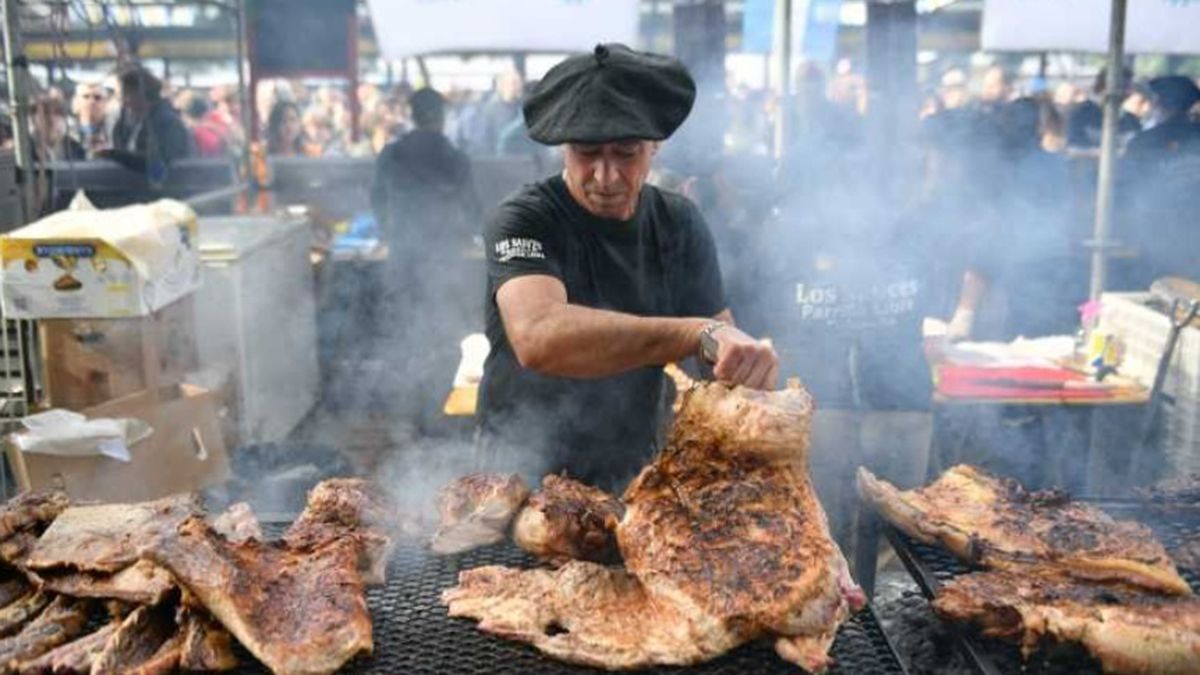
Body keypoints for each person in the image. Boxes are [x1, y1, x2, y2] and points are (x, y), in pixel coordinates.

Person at [475, 44, 779, 491]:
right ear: (563, 149)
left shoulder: (679, 222)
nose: (606, 176)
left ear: (654, 147)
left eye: (625, 153)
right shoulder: (524, 219)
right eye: (587, 153)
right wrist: (696, 334)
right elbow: (538, 338)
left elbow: (714, 357)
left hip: (632, 469)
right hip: (517, 477)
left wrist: (743, 369)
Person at [370, 88, 483, 432]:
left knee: (404, 333)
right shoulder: (454, 157)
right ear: (440, 116)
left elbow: (377, 201)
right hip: (444, 261)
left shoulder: (392, 154)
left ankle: (405, 419)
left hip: (403, 258)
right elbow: (473, 210)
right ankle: (434, 412)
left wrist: (391, 232)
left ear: (413, 114)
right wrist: (465, 234)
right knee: (442, 334)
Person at [107, 64, 192, 175]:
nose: (123, 101)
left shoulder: (168, 123)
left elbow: (163, 162)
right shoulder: (125, 123)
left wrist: (116, 156)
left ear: (141, 93)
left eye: (126, 94)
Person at [30, 95, 85, 162]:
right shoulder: (23, 148)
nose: (51, 119)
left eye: (57, 113)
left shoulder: (75, 148)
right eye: (45, 113)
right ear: (33, 119)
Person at [71, 82, 110, 157]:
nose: (91, 102)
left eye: (97, 97)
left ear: (106, 103)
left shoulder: (114, 135)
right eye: (86, 96)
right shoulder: (66, 136)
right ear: (75, 103)